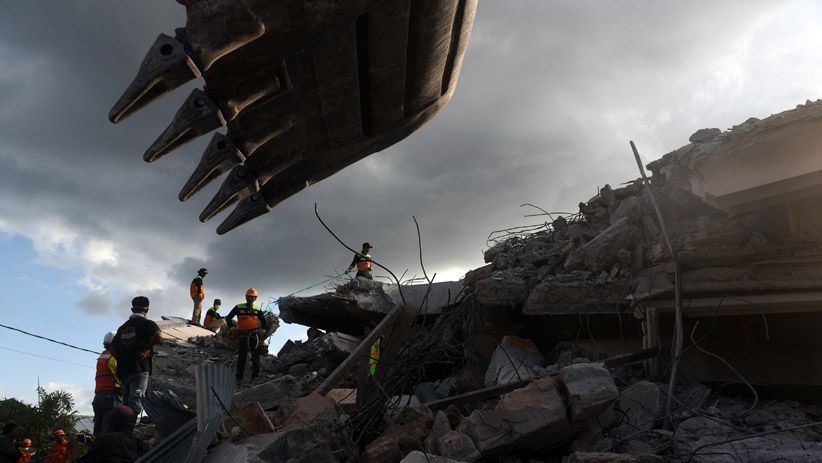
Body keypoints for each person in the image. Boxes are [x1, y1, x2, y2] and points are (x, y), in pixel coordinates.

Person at [110, 296, 161, 415]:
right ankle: (129, 430)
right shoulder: (147, 323)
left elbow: (112, 349)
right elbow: (158, 335)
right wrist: (147, 349)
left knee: (126, 402)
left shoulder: (122, 327)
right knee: (136, 402)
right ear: (147, 310)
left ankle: (123, 430)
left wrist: (122, 358)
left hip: (123, 370)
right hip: (140, 368)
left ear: (132, 309)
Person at [76, 405, 149, 463]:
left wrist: (73, 447)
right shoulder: (142, 446)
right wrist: (96, 443)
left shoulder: (107, 441)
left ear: (113, 421)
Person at [224, 288, 268, 385]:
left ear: (255, 298)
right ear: (246, 297)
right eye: (249, 297)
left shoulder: (257, 309)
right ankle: (239, 377)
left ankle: (255, 377)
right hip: (243, 334)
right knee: (242, 356)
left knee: (255, 355)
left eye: (252, 297)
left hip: (254, 334)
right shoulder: (239, 307)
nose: (250, 299)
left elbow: (263, 320)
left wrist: (263, 330)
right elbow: (228, 318)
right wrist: (232, 329)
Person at [92, 331, 121, 437]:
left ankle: (96, 448)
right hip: (110, 395)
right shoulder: (112, 358)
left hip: (98, 396)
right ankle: (105, 450)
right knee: (108, 426)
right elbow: (117, 376)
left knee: (98, 427)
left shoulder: (101, 357)